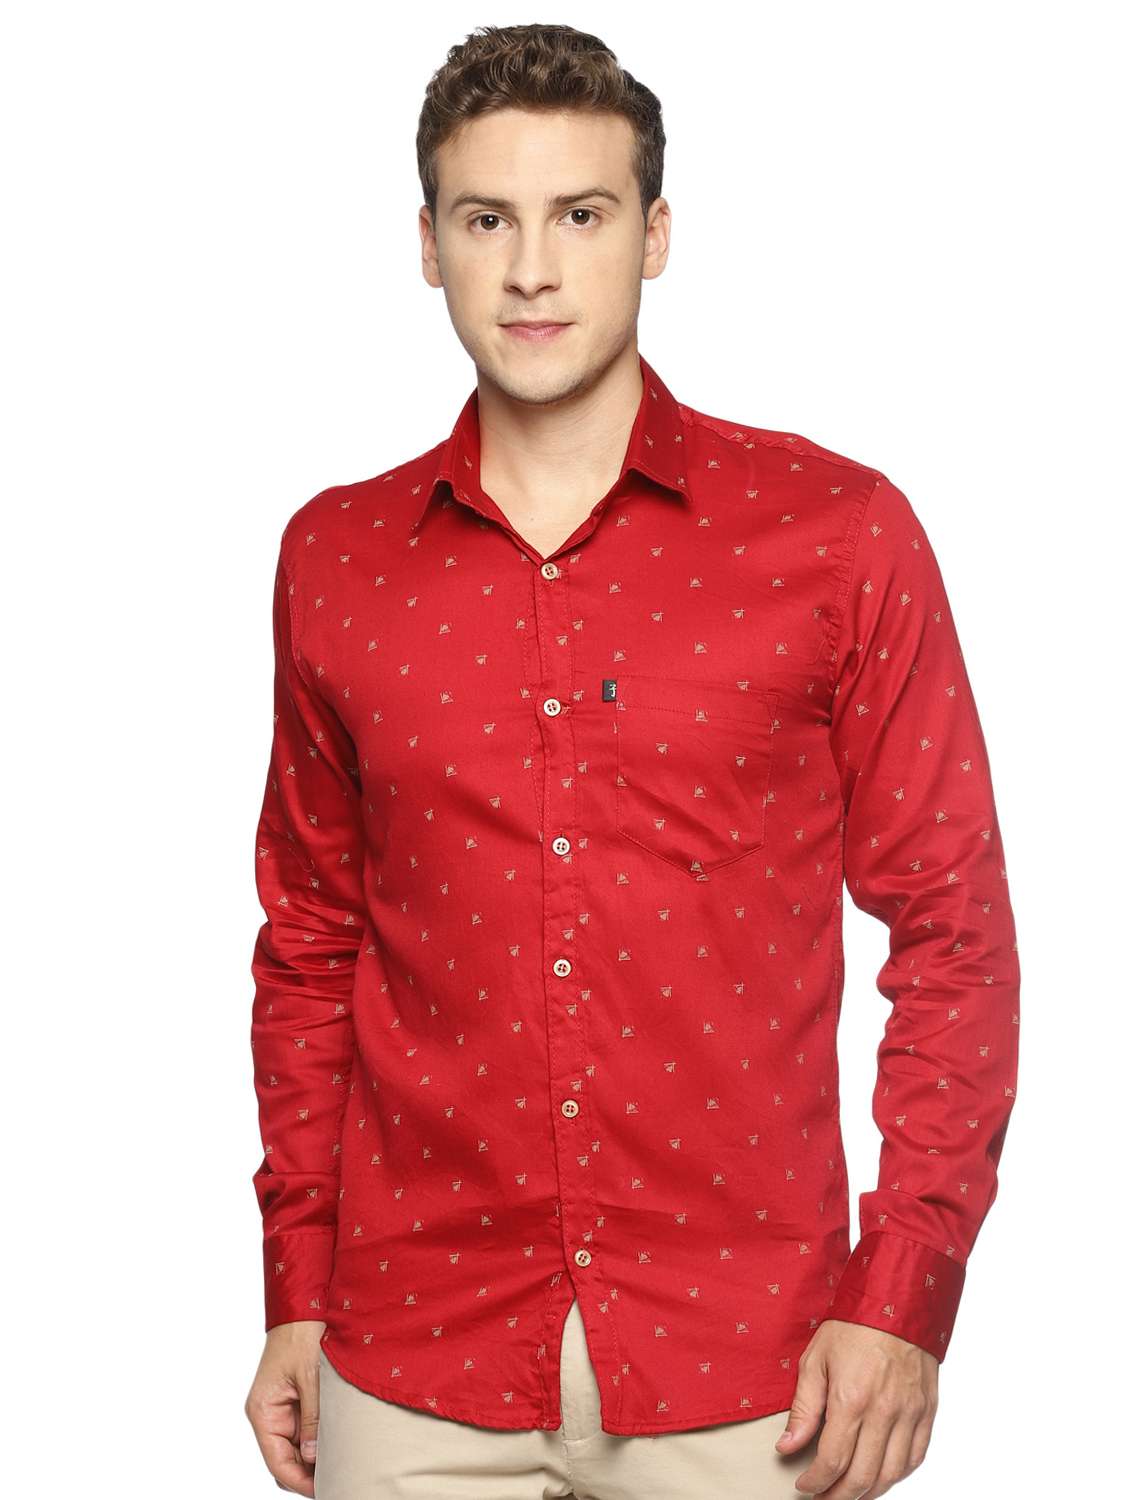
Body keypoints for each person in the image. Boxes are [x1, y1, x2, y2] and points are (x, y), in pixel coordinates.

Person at [242, 22, 1020, 1500]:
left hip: (753, 1366)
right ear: (427, 245)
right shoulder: (336, 559)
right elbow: (312, 943)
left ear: (655, 235)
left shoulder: (836, 534)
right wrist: (296, 1281)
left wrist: (904, 1291)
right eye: (488, 219)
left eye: (582, 215)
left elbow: (954, 930)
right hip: (408, 1355)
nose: (533, 269)